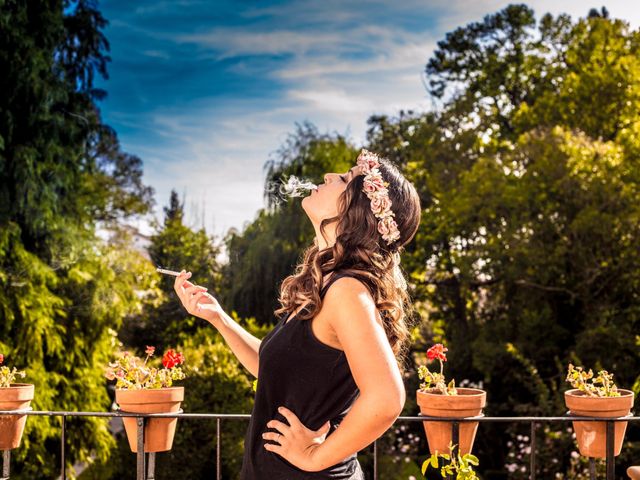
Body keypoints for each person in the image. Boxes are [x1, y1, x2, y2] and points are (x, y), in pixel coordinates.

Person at [173, 148, 422, 479]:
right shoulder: (329, 285)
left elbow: (387, 399)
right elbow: (271, 369)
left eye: (346, 178)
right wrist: (218, 317)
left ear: (360, 211)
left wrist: (315, 457)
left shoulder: (347, 291)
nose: (330, 176)